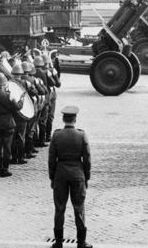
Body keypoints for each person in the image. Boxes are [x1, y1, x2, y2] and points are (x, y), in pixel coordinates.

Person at [48, 106, 92, 248]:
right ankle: (81, 242)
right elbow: (87, 158)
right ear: (75, 119)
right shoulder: (81, 135)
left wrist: (52, 177)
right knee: (79, 208)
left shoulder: (56, 135)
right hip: (77, 174)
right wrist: (86, 176)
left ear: (63, 119)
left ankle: (59, 242)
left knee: (59, 208)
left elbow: (51, 158)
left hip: (60, 174)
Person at [0, 73, 25, 177]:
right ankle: (5, 169)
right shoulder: (10, 95)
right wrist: (22, 99)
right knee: (7, 147)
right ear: (4, 83)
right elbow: (17, 107)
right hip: (8, 123)